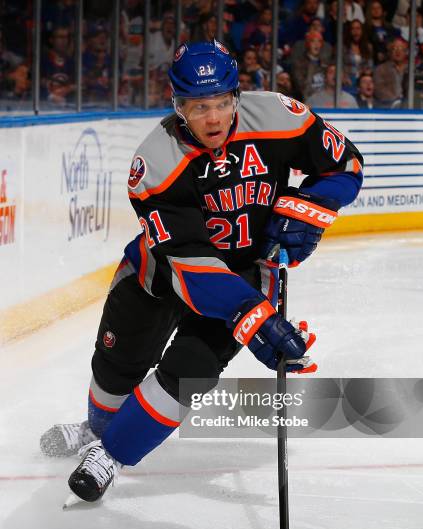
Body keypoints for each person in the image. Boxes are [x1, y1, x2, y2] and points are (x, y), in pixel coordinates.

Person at [40, 40, 363, 504]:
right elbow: (191, 264)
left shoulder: (280, 116)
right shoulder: (155, 163)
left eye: (220, 104)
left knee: (191, 370)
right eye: (197, 107)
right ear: (178, 106)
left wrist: (308, 207)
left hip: (244, 275)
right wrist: (255, 317)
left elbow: (346, 164)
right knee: (116, 369)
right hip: (160, 275)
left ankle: (109, 454)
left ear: (236, 96)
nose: (212, 118)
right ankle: (99, 429)